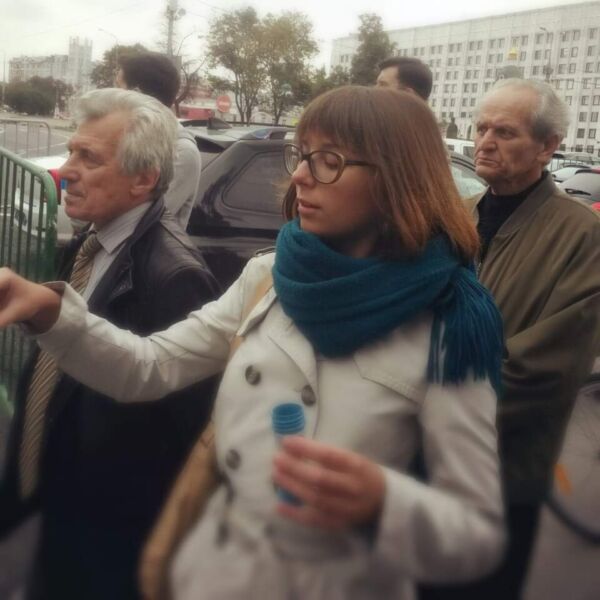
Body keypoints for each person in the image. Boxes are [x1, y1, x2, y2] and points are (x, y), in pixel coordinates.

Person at [0, 86, 505, 600]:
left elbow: (476, 532)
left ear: (396, 179)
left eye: (329, 160)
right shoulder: (270, 276)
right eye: (302, 155)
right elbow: (149, 366)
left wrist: (385, 504)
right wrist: (51, 313)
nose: (301, 174)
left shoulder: (452, 323)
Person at [0, 88, 220, 600]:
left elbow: (179, 437)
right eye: (70, 152)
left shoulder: (174, 276)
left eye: (89, 158)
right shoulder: (93, 238)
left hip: (110, 543)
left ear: (143, 179)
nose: (65, 171)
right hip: (59, 508)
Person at [423, 78, 600, 600]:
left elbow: (542, 369)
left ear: (548, 146)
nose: (484, 141)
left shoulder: (581, 235)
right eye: (481, 128)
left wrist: (430, 415)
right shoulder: (460, 215)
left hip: (503, 473)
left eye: (505, 132)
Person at [116, 51, 201, 230]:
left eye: (118, 88)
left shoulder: (180, 150)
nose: (113, 96)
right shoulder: (129, 136)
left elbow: (136, 222)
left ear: (136, 94)